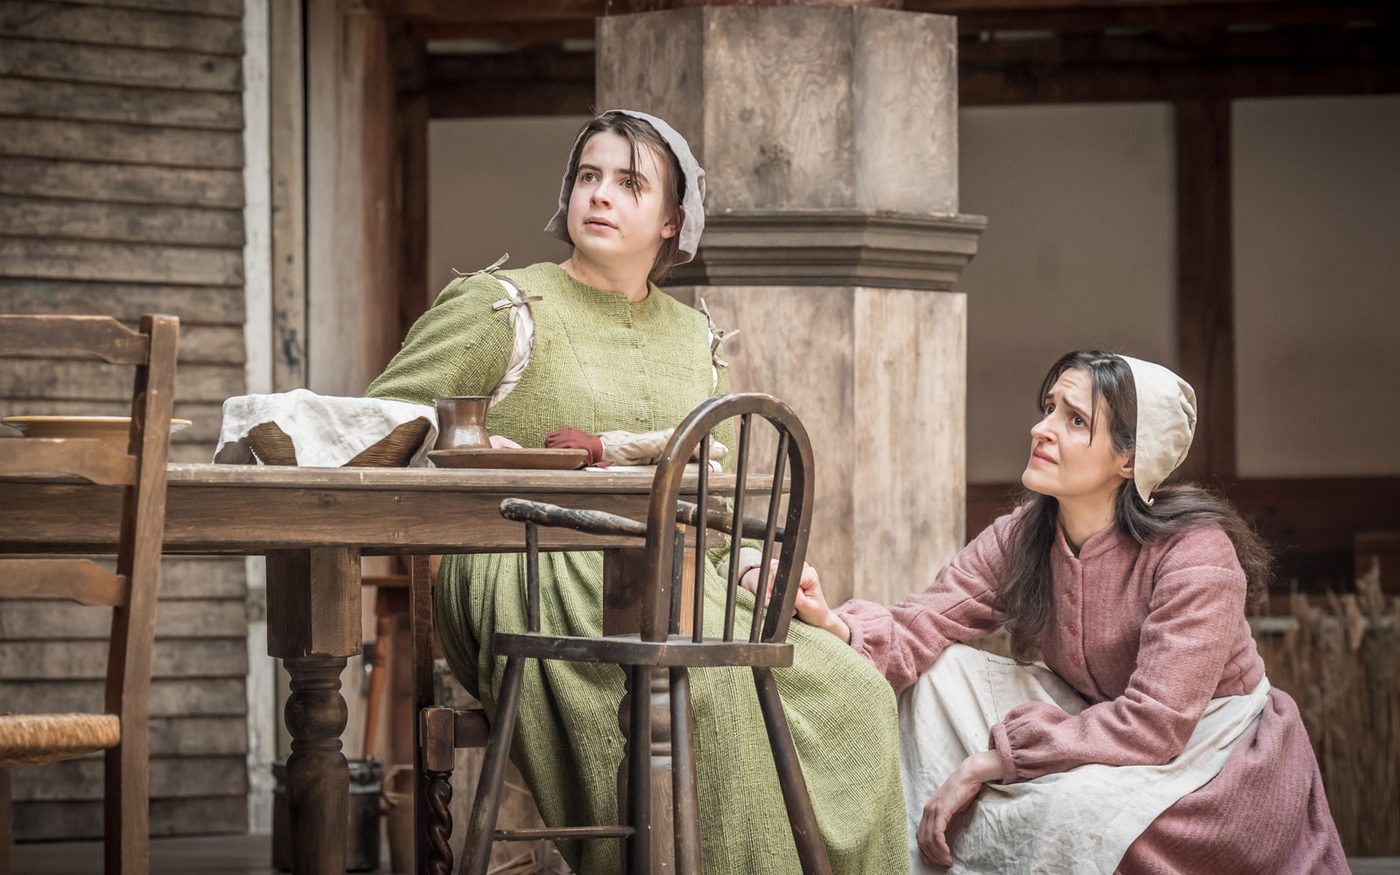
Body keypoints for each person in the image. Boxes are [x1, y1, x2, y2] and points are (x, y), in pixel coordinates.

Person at [366, 109, 908, 874]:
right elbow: (377, 424)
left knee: (854, 691)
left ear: (672, 220)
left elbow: (709, 502)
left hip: (672, 572)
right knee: (700, 685)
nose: (599, 194)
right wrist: (476, 452)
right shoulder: (503, 304)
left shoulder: (695, 338)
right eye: (588, 175)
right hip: (523, 560)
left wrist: (746, 561)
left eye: (629, 182)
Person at [750, 350, 1347, 873]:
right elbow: (924, 623)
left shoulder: (1197, 555)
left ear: (1129, 459)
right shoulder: (1025, 534)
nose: (1042, 428)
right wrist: (830, 620)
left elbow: (1156, 725)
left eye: (1075, 419)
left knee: (1070, 814)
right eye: (1049, 408)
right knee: (935, 676)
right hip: (1094, 718)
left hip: (1211, 755)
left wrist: (990, 762)